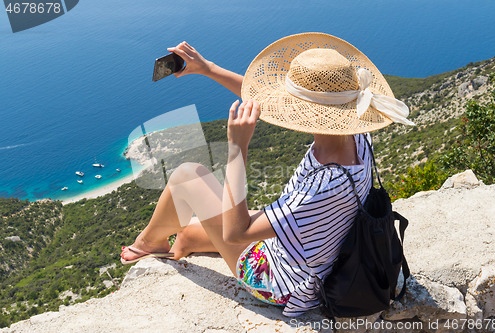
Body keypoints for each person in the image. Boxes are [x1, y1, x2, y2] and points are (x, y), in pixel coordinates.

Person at [121, 33, 414, 316]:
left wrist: (238, 149)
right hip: (313, 247)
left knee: (188, 177)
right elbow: (265, 104)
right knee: (187, 231)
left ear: (306, 112)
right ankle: (183, 242)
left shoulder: (322, 187)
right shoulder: (358, 134)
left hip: (283, 282)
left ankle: (149, 243)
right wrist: (208, 68)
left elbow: (237, 234)